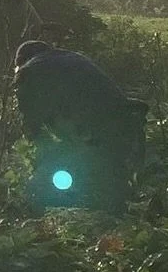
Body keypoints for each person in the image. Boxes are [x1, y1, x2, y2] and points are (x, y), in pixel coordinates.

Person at [13, 39, 146, 212]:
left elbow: (31, 125)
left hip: (90, 134)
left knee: (41, 190)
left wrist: (38, 157)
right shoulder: (73, 58)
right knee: (113, 189)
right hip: (127, 123)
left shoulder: (28, 72)